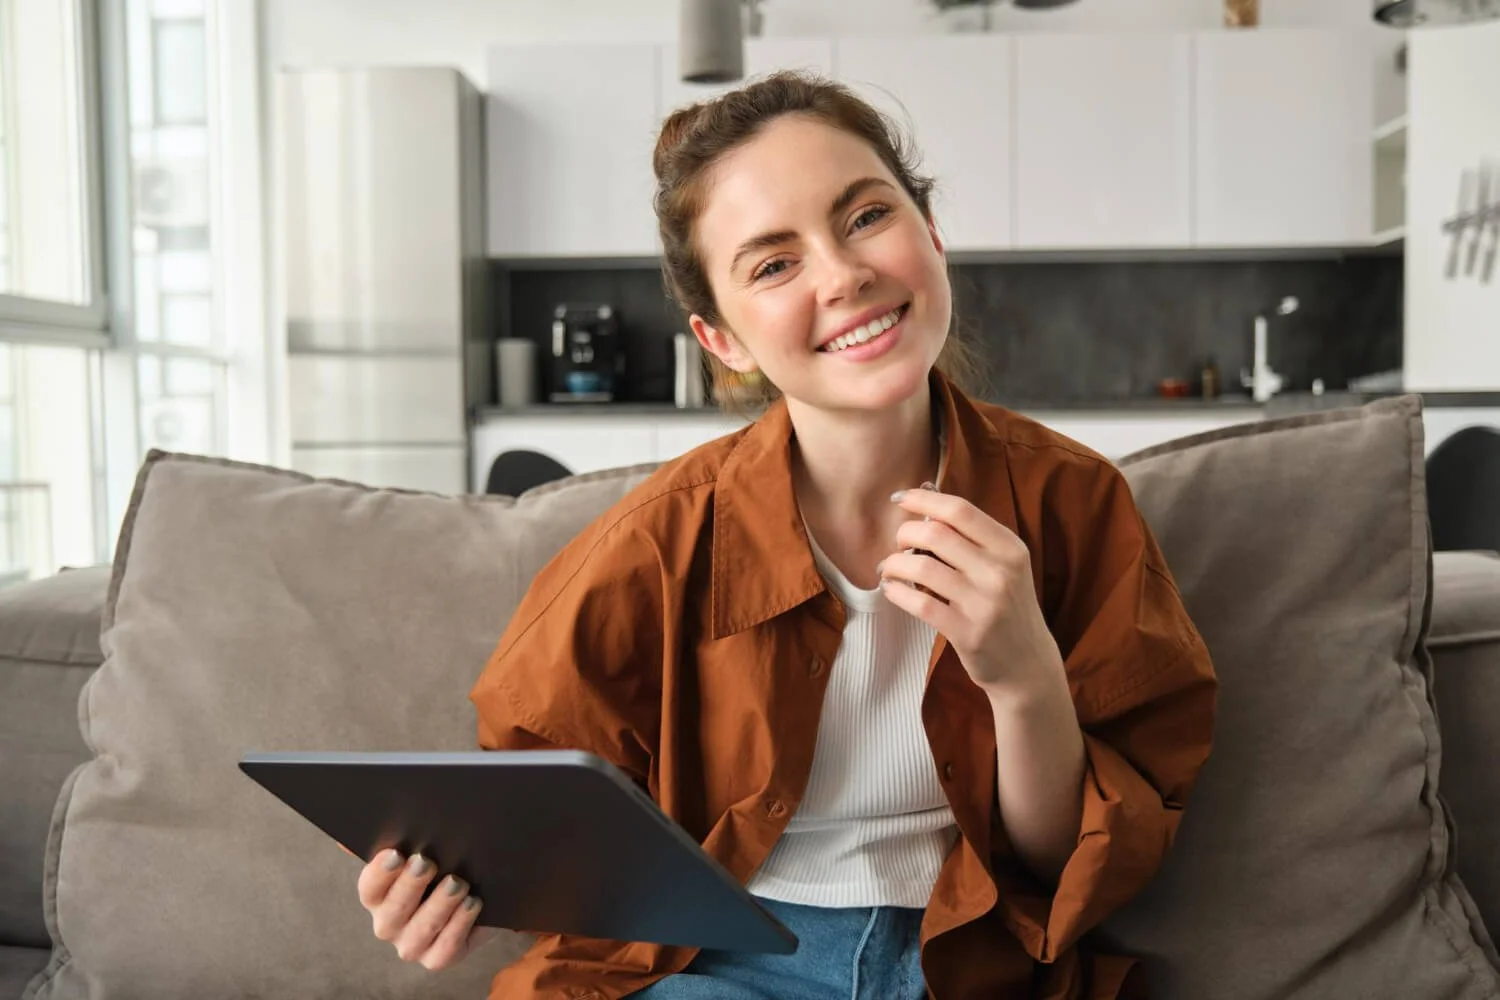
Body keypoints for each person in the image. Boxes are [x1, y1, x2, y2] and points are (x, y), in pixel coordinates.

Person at [354, 71, 1217, 1000]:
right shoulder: (653, 545)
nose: (844, 276)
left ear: (931, 232)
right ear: (721, 340)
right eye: (773, 264)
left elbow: (1069, 863)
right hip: (716, 965)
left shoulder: (1075, 505)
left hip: (965, 962)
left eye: (865, 217)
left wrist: (1025, 677)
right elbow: (532, 810)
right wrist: (447, 885)